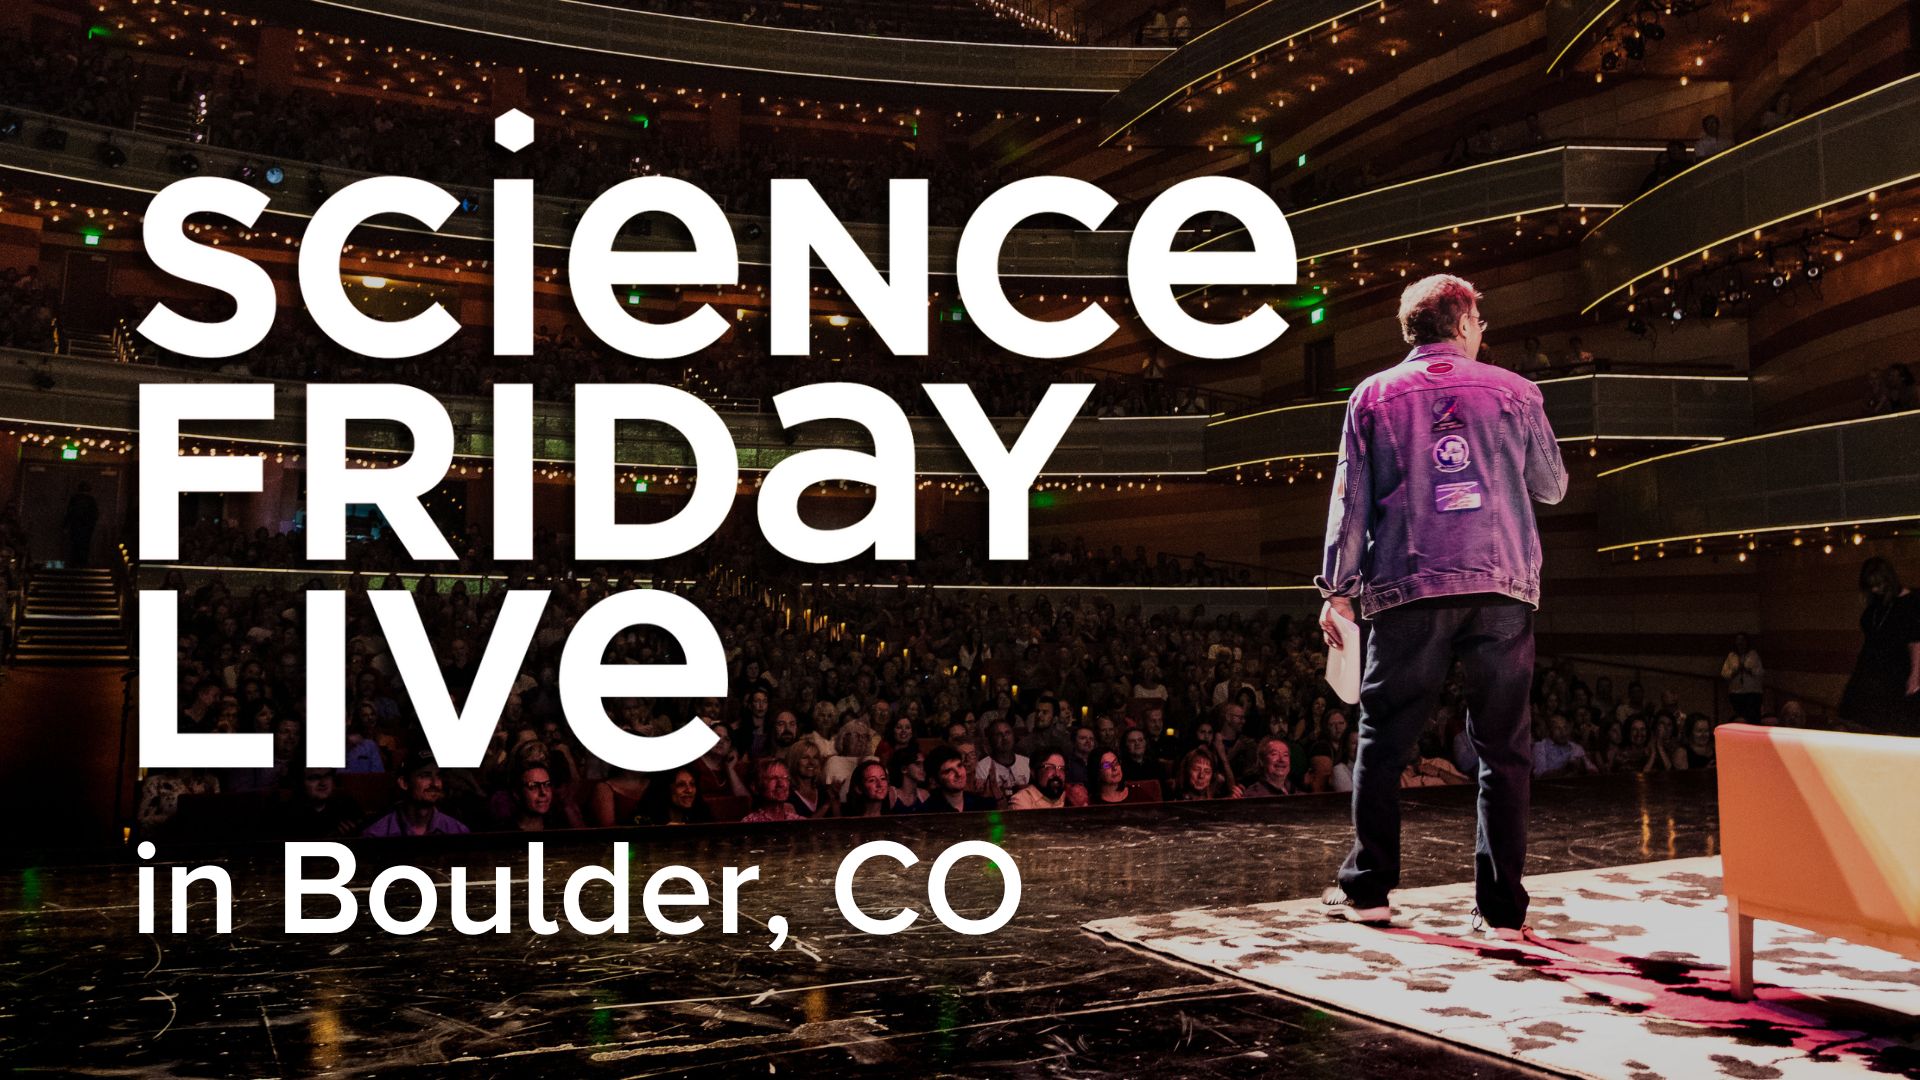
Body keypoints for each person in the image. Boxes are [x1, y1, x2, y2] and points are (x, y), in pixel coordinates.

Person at [1315, 273, 1567, 937]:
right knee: (1503, 752)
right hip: (1502, 590)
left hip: (1409, 587)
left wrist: (1336, 589)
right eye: (1481, 322)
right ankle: (1502, 913)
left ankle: (1369, 891)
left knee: (1383, 741)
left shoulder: (1372, 396)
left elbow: (1350, 504)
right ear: (1462, 324)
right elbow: (1553, 486)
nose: (1484, 334)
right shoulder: (1518, 392)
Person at [1838, 557, 1920, 732]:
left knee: (1893, 719)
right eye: (1871, 586)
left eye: (1878, 584)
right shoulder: (1878, 603)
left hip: (1896, 667)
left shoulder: (1910, 601)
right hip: (1872, 666)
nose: (1875, 589)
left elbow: (1915, 641)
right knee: (1862, 718)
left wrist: (1915, 675)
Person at [363, 751, 470, 837]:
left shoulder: (457, 831)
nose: (435, 783)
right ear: (404, 783)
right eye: (425, 775)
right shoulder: (377, 834)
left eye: (438, 776)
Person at [919, 745, 997, 812]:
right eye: (949, 771)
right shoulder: (927, 811)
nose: (959, 774)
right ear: (934, 780)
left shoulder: (980, 804)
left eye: (959, 766)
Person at [1009, 750, 1083, 810]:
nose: (1057, 774)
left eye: (1061, 768)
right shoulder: (1022, 800)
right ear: (1034, 772)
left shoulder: (1070, 796)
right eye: (1049, 767)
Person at [741, 759, 804, 823]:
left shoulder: (799, 822)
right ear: (755, 787)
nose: (781, 784)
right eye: (772, 778)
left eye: (785, 778)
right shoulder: (750, 823)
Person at [1721, 633, 1765, 722]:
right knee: (1740, 718)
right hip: (1736, 692)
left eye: (1743, 640)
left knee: (1752, 718)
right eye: (1738, 640)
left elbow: (1761, 672)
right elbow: (1724, 673)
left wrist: (1749, 670)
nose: (1740, 643)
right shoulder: (1731, 656)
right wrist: (1734, 672)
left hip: (1752, 692)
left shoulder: (1753, 655)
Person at [63, 482, 99, 568]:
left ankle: (74, 562)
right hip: (87, 527)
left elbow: (69, 513)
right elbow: (95, 514)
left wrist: (66, 526)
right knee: (85, 545)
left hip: (75, 526)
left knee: (75, 545)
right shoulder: (91, 500)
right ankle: (83, 562)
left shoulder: (74, 499)